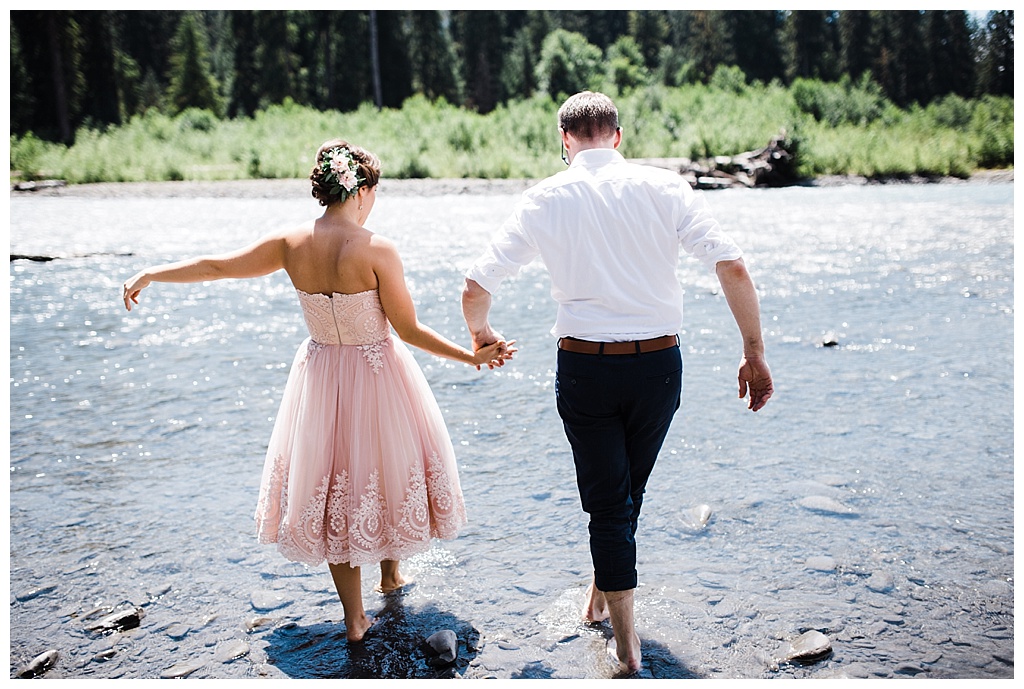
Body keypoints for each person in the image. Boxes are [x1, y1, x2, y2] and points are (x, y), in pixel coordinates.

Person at [123, 139, 513, 642]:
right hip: (377, 375)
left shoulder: (291, 244)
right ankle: (390, 575)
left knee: (335, 486)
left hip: (321, 373)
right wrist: (471, 356)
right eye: (375, 192)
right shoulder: (376, 249)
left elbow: (218, 266)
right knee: (383, 467)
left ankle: (356, 617)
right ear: (362, 190)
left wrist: (151, 272)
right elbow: (409, 330)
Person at [461, 92, 773, 674]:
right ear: (618, 137)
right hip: (659, 368)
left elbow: (476, 284)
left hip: (585, 368)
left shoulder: (543, 199)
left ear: (565, 140)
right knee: (625, 495)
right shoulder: (666, 188)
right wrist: (753, 354)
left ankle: (626, 652)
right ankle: (602, 605)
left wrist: (482, 336)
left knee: (610, 503)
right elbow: (731, 264)